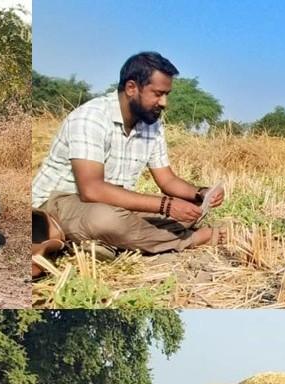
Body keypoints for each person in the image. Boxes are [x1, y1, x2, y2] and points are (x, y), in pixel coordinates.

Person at [31, 51, 225, 255]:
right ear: (132, 88)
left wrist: (201, 193)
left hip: (111, 202)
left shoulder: (152, 124)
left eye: (167, 94)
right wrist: (165, 206)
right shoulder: (91, 118)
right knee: (106, 220)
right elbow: (91, 190)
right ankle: (188, 239)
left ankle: (104, 241)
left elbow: (167, 180)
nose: (164, 103)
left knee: (190, 209)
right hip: (58, 203)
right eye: (158, 94)